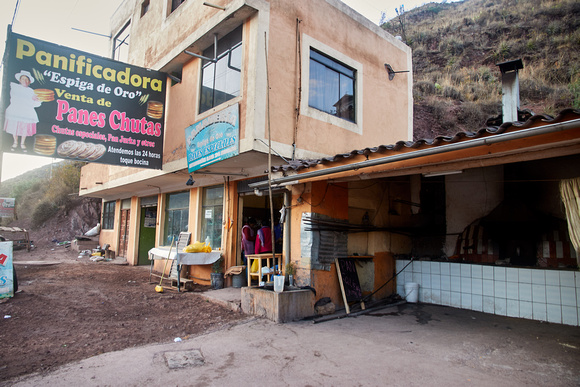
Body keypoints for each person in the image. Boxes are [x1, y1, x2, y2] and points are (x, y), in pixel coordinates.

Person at [4, 70, 42, 152]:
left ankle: (22, 143)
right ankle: (15, 142)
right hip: (16, 110)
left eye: (26, 79)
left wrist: (36, 100)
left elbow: (37, 104)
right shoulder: (15, 87)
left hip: (27, 112)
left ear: (29, 81)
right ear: (19, 80)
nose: (25, 81)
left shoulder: (32, 91)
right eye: (23, 79)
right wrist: (30, 100)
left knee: (24, 128)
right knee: (15, 127)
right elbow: (16, 99)